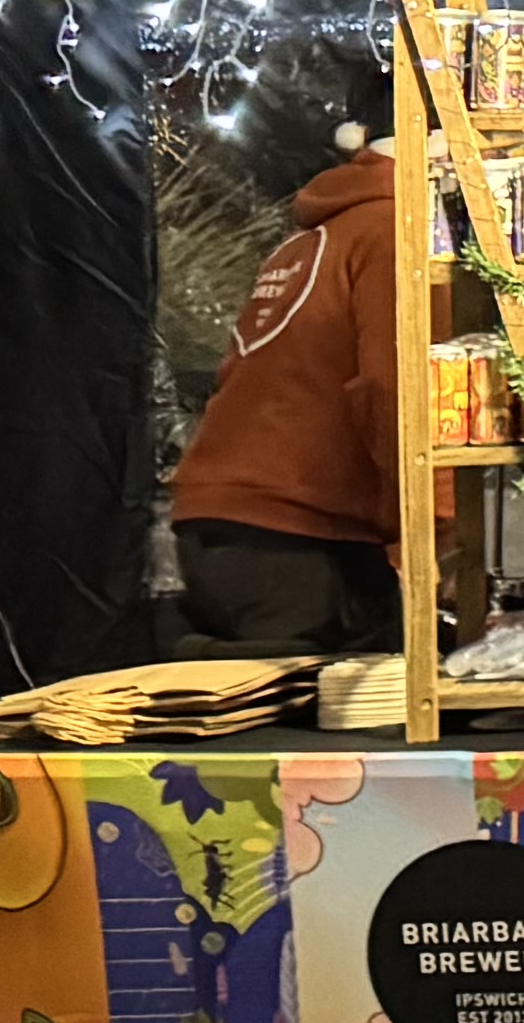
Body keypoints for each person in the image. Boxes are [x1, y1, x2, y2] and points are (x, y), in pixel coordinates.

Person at [169, 47, 406, 652]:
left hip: (246, 520)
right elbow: (392, 386)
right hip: (291, 530)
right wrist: (428, 525)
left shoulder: (311, 237)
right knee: (323, 725)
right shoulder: (390, 233)